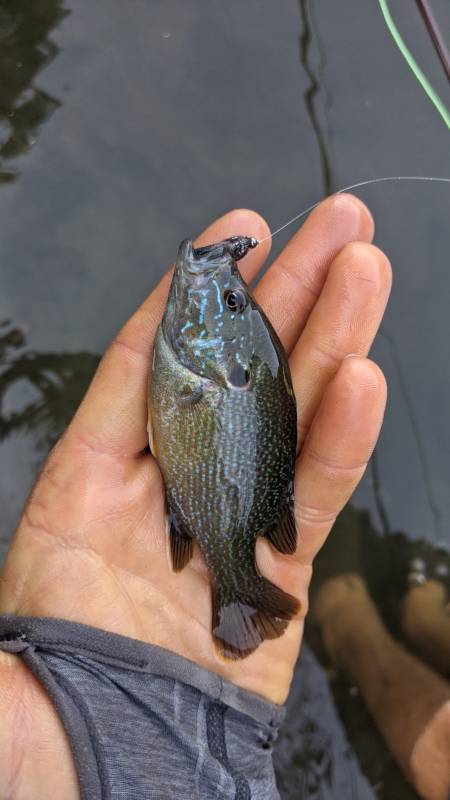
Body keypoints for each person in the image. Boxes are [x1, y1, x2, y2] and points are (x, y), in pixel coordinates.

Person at [0, 196, 391, 798]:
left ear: (233, 366)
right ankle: (245, 587)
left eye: (232, 303)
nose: (228, 294)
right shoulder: (206, 367)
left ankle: (240, 586)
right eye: (235, 301)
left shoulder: (204, 368)